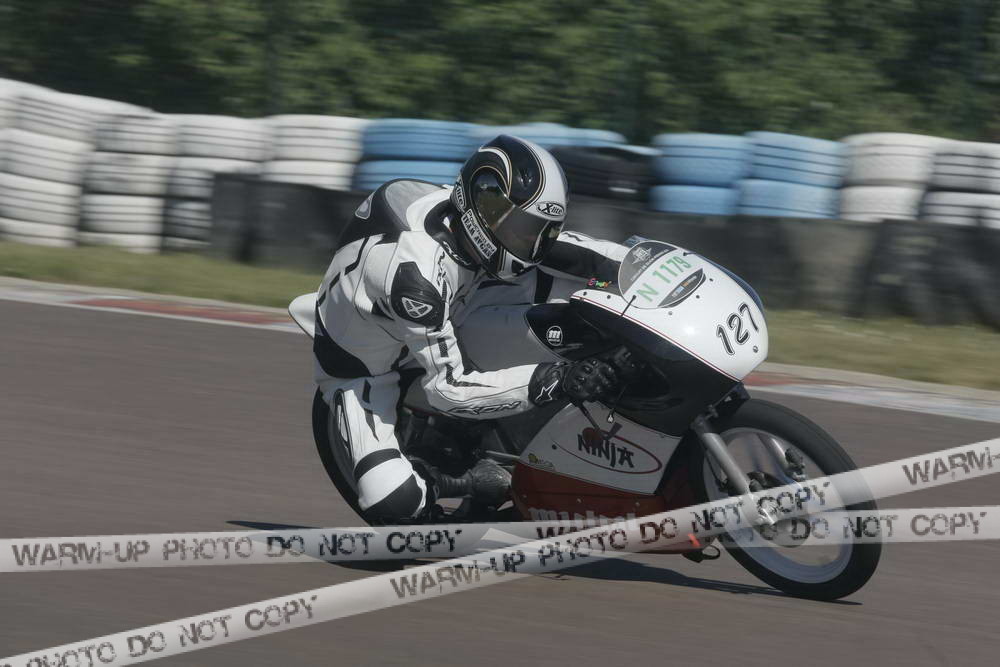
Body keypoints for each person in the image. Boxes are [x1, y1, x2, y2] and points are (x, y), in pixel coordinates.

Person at [314, 134, 628, 523]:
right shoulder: (417, 281)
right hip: (367, 371)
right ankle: (470, 482)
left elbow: (571, 251)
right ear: (481, 207)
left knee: (581, 291)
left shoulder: (472, 222)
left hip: (458, 300)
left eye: (539, 231)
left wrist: (636, 265)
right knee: (396, 504)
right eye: (522, 230)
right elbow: (448, 389)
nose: (530, 244)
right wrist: (556, 380)